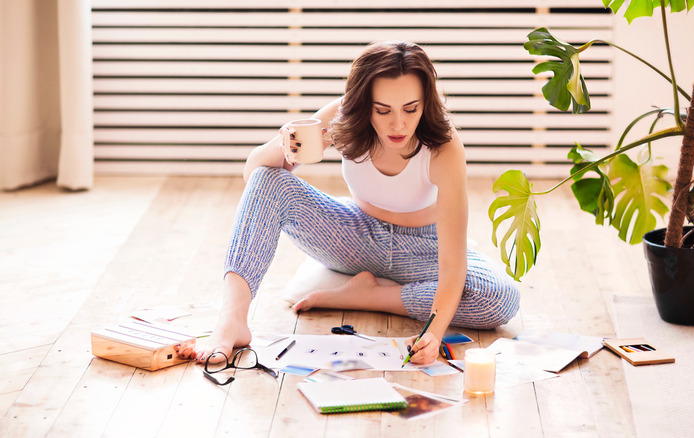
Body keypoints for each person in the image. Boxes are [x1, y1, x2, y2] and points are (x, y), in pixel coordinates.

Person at [183, 41, 520, 366]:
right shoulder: (343, 116)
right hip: (354, 235)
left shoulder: (444, 146)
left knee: (499, 297)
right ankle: (232, 322)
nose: (398, 124)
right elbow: (254, 174)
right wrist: (287, 146)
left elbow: (451, 265)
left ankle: (366, 296)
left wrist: (432, 333)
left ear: (425, 103)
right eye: (382, 110)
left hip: (423, 247)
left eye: (411, 109)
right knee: (268, 180)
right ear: (364, 103)